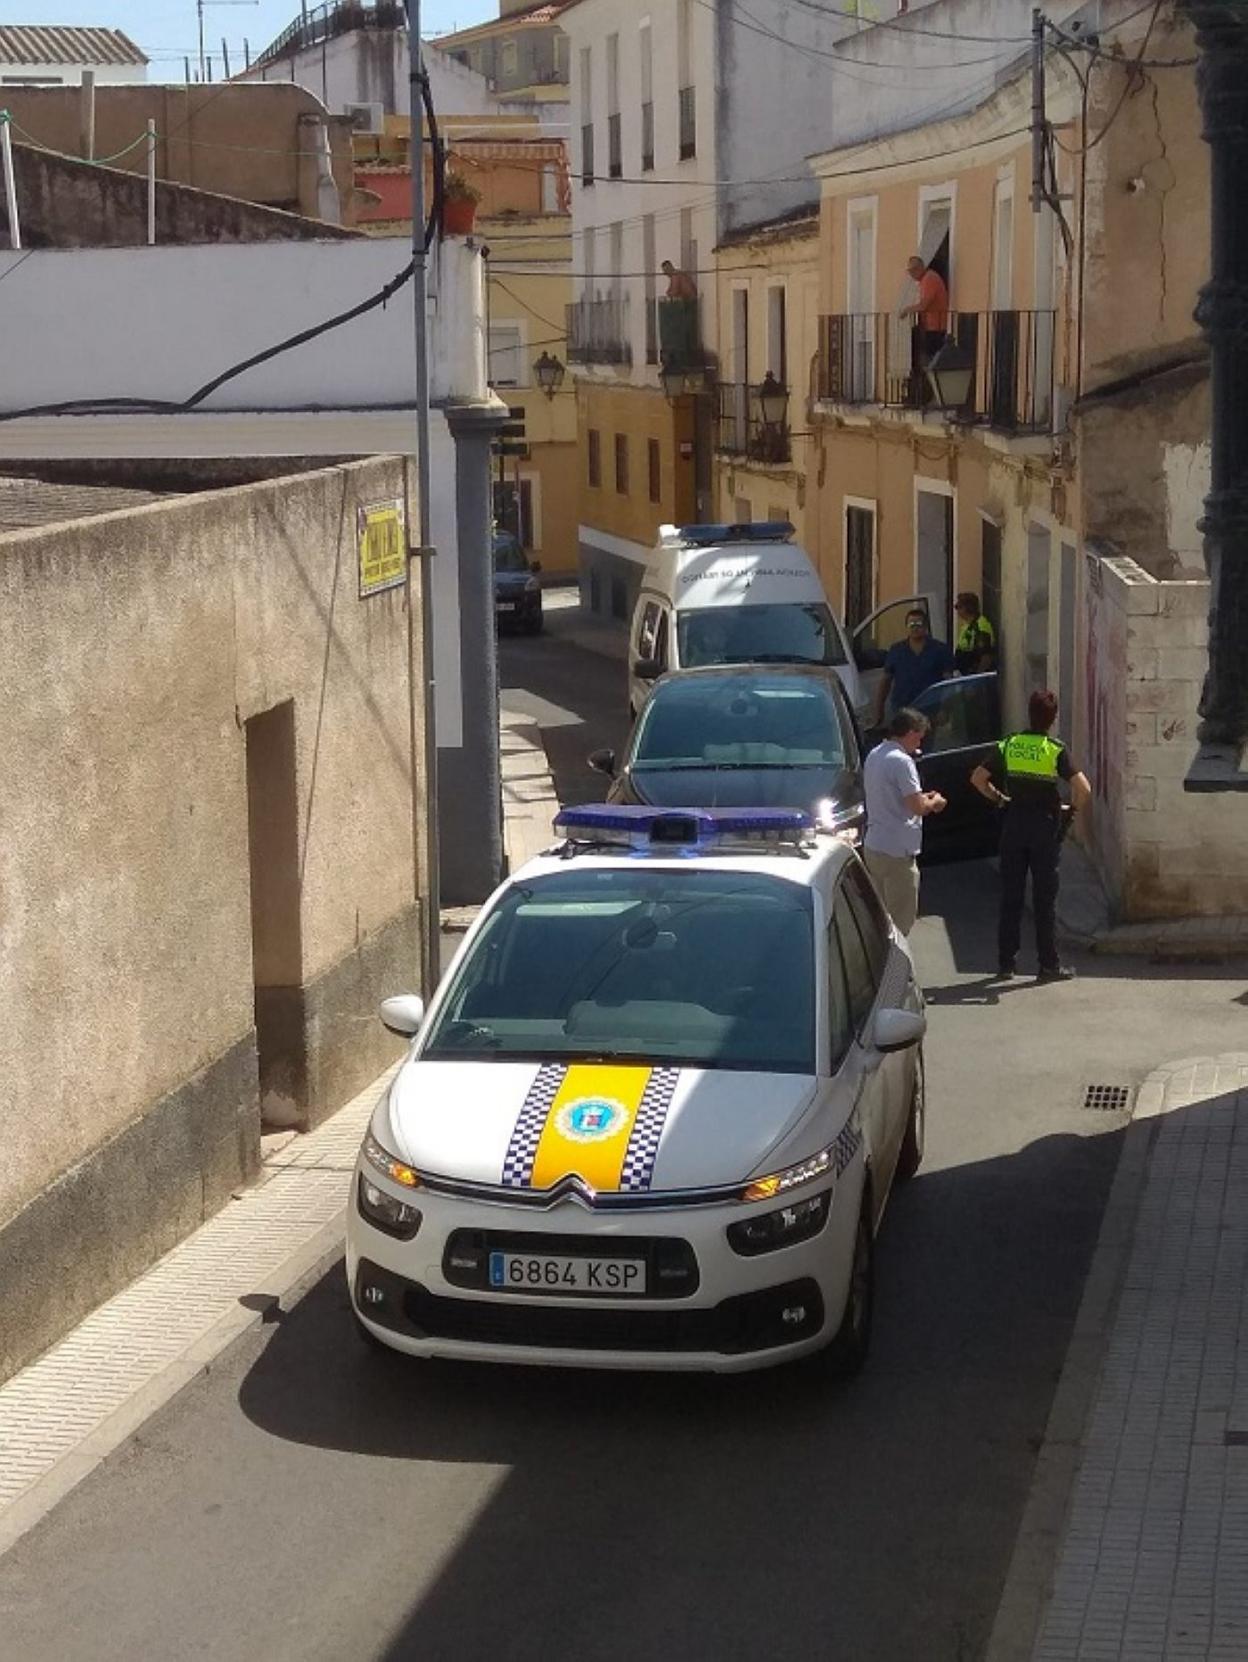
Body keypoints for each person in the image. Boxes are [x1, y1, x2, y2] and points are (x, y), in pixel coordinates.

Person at [970, 688, 1092, 983]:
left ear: (1029, 713)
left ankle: (1005, 963)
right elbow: (1083, 788)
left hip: (1014, 827)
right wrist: (1070, 813)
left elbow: (977, 779)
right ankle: (1048, 965)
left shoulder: (1009, 745)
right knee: (1044, 899)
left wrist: (999, 799)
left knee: (1011, 896)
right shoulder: (1054, 748)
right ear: (1052, 719)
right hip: (1044, 830)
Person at [862, 708, 947, 935]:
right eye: (918, 737)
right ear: (909, 732)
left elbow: (898, 797)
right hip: (897, 852)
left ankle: (881, 970)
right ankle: (896, 972)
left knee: (879, 922)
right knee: (900, 926)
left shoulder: (875, 754)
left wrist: (921, 798)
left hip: (874, 845)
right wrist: (935, 802)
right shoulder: (902, 762)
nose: (919, 744)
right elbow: (917, 807)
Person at [871, 608, 955, 727]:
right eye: (911, 624)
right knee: (903, 744)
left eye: (919, 624)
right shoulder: (896, 650)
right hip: (902, 709)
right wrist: (879, 709)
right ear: (906, 626)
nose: (915, 628)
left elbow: (948, 683)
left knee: (924, 744)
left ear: (926, 626)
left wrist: (946, 709)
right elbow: (886, 681)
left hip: (930, 709)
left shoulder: (940, 650)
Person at [901, 255, 949, 362]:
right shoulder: (926, 280)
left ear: (919, 269)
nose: (911, 275)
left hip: (935, 327)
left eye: (912, 271)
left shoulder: (929, 279)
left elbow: (924, 305)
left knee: (931, 359)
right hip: (932, 326)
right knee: (927, 358)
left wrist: (907, 310)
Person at [954, 591, 996, 674]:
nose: (957, 610)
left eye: (959, 607)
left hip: (975, 677)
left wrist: (978, 677)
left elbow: (986, 656)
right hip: (966, 674)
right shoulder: (967, 625)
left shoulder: (980, 626)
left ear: (968, 607)